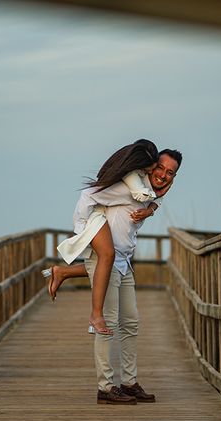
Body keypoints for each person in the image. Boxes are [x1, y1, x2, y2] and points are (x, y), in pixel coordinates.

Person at [53, 148, 183, 404]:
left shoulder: (152, 192)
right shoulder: (127, 187)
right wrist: (85, 234)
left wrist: (152, 208)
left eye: (171, 173)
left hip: (124, 261)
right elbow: (89, 195)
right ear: (150, 166)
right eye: (161, 168)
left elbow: (156, 197)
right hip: (106, 258)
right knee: (107, 323)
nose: (164, 175)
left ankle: (129, 382)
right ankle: (105, 388)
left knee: (131, 322)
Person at [42, 139, 162, 335]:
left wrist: (153, 207)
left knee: (105, 263)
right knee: (108, 255)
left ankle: (62, 272)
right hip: (92, 217)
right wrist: (80, 228)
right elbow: (90, 194)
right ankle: (96, 315)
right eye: (148, 168)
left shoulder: (137, 175)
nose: (150, 172)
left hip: (98, 215)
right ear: (138, 165)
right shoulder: (131, 179)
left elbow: (150, 195)